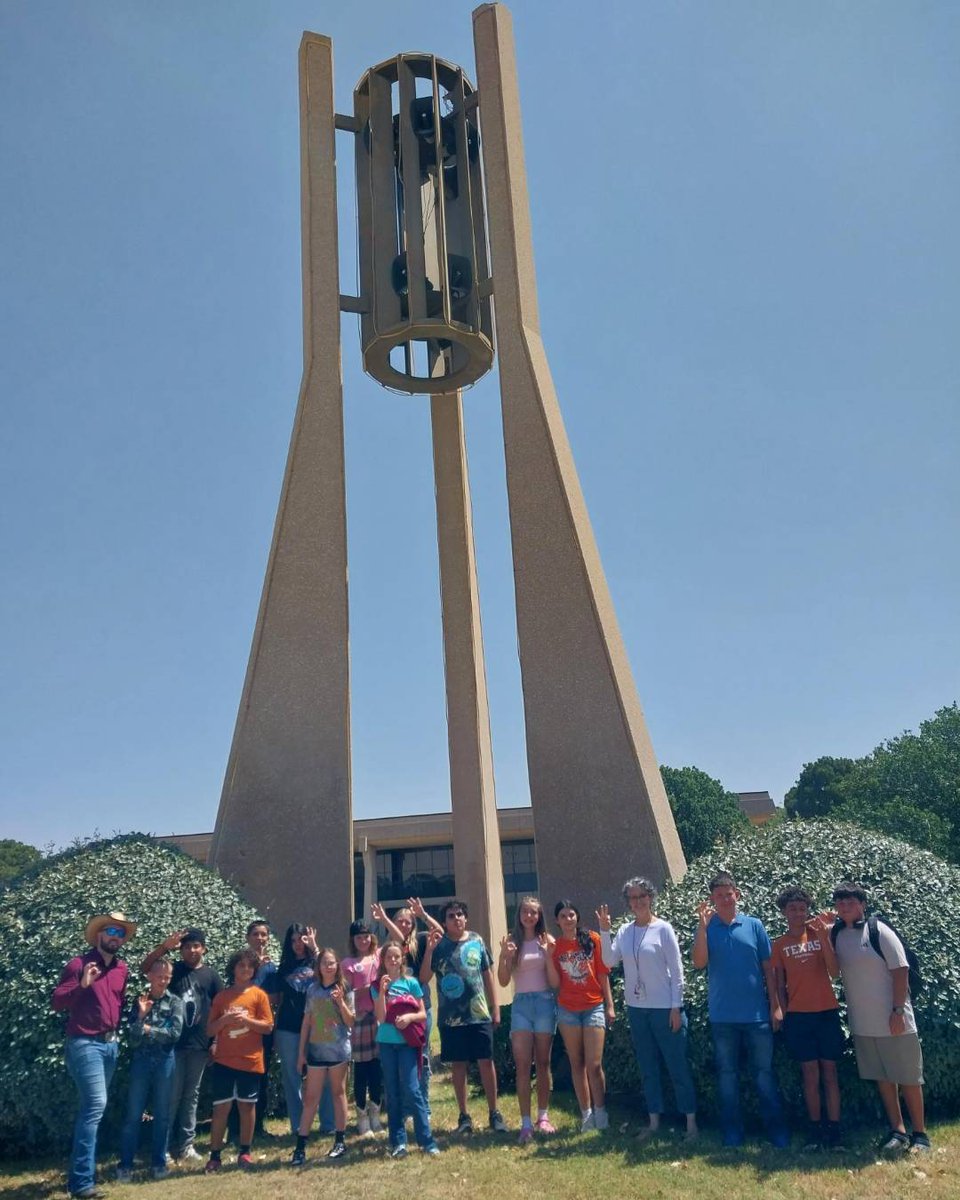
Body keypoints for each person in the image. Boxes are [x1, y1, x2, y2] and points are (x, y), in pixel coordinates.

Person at [831, 880, 930, 1154]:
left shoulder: (879, 930)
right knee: (884, 1080)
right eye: (840, 902)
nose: (845, 906)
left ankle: (920, 1135)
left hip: (895, 1020)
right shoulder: (836, 934)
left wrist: (898, 1010)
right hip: (864, 1024)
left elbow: (901, 970)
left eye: (851, 901)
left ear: (862, 904)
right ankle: (897, 1131)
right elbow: (832, 970)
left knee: (909, 1079)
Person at [691, 871, 788, 1148]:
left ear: (737, 895)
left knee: (765, 1075)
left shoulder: (754, 925)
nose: (724, 898)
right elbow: (699, 963)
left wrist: (776, 1007)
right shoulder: (708, 928)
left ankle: (777, 1131)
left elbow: (769, 969)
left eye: (728, 893)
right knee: (727, 1077)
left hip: (757, 1016)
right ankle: (732, 1133)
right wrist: (701, 925)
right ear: (712, 899)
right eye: (718, 895)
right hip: (723, 1018)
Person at [598, 877, 697, 1140]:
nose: (638, 901)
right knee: (648, 1067)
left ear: (650, 897)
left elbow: (677, 972)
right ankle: (654, 1123)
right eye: (633, 897)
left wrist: (677, 1008)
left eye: (643, 896)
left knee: (677, 1067)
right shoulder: (625, 931)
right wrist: (605, 931)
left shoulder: (663, 929)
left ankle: (691, 1124)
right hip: (637, 1009)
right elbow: (608, 961)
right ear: (628, 902)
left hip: (665, 1008)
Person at [52, 911, 137, 1199]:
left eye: (120, 933)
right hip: (84, 1044)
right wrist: (82, 984)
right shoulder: (79, 964)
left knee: (93, 1110)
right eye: (111, 931)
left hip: (110, 1045)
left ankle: (82, 1176)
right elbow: (57, 1002)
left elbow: (117, 1003)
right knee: (95, 1106)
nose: (115, 937)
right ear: (99, 934)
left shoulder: (122, 969)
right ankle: (81, 1183)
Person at [419, 898, 505, 1134]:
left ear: (465, 918)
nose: (456, 919)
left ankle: (494, 1113)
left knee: (486, 1062)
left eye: (459, 914)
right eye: (451, 916)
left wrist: (495, 1007)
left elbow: (487, 974)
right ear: (445, 922)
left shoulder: (477, 940)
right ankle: (464, 1116)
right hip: (451, 1018)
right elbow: (424, 978)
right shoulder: (439, 945)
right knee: (459, 1065)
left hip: (479, 1014)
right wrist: (428, 950)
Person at [771, 886, 844, 1151]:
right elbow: (779, 984)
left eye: (802, 909)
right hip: (799, 1017)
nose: (798, 913)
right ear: (783, 912)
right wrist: (780, 1009)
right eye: (792, 909)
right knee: (810, 1074)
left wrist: (825, 936)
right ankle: (815, 1130)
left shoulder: (819, 933)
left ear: (807, 910)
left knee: (830, 1073)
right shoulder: (779, 944)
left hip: (826, 1012)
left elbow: (835, 972)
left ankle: (834, 1131)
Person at [140, 927, 222, 1163]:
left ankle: (186, 1146)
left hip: (199, 1046)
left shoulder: (211, 976)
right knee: (171, 1096)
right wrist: (165, 946)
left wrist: (215, 1041)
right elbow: (146, 968)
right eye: (187, 946)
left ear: (204, 948)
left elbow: (219, 1009)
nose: (192, 950)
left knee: (191, 1096)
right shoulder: (173, 971)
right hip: (173, 1045)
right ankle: (162, 1147)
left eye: (196, 946)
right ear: (181, 949)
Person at [204, 948, 274, 1173]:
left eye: (250, 966)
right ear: (233, 968)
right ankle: (215, 1155)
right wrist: (225, 1019)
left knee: (247, 1106)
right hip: (224, 1060)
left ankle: (245, 1151)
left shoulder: (259, 995)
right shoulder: (222, 996)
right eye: (241, 965)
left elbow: (268, 1027)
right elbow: (209, 1030)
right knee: (221, 1108)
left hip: (250, 1060)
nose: (245, 969)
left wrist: (248, 1020)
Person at [371, 897, 443, 1112]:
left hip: (420, 1009)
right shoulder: (389, 949)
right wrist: (384, 920)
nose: (404, 925)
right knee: (398, 1060)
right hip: (393, 1013)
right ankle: (404, 1106)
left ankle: (422, 1106)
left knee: (421, 1056)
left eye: (408, 922)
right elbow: (399, 940)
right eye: (400, 921)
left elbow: (440, 932)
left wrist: (422, 914)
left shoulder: (421, 940)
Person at [116, 957, 184, 1181]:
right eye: (159, 976)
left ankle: (158, 1163)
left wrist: (147, 1030)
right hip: (142, 1062)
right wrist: (141, 1018)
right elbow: (132, 1039)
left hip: (165, 1061)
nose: (163, 981)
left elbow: (174, 1034)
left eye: (167, 977)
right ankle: (125, 1164)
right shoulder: (140, 1001)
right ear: (150, 977)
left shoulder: (175, 1002)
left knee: (163, 1115)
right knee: (133, 1115)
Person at [496, 896, 558, 1143]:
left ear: (539, 915)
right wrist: (504, 957)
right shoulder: (512, 942)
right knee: (523, 1065)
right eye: (525, 912)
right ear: (519, 915)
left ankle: (543, 1116)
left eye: (534, 912)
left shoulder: (547, 940)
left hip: (544, 1003)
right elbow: (502, 980)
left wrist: (549, 955)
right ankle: (525, 1123)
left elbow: (554, 983)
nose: (529, 916)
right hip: (521, 1005)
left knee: (543, 1063)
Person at [551, 899, 614, 1132]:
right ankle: (586, 1114)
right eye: (564, 916)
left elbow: (603, 974)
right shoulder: (556, 948)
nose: (569, 919)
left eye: (572, 915)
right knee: (576, 1063)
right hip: (568, 1010)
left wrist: (610, 1005)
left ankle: (601, 1110)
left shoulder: (593, 940)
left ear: (578, 917)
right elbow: (555, 982)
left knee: (594, 1064)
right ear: (557, 921)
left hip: (593, 1006)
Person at [372, 941, 440, 1158]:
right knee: (392, 1092)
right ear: (382, 961)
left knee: (413, 1089)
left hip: (407, 1045)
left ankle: (426, 1141)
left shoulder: (411, 983)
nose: (393, 960)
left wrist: (409, 1017)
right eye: (388, 957)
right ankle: (398, 1142)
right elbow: (381, 1018)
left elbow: (421, 1013)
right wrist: (382, 993)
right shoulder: (376, 985)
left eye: (396, 957)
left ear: (402, 959)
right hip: (387, 1043)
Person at [290, 947, 355, 1163]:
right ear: (318, 967)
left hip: (338, 1051)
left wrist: (340, 1002)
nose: (328, 966)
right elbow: (307, 1021)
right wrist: (301, 1053)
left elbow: (351, 1021)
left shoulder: (345, 988)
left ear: (337, 966)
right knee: (311, 1098)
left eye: (332, 963)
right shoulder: (313, 990)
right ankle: (300, 1146)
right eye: (324, 963)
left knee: (338, 1093)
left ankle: (340, 1140)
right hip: (316, 1051)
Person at [270, 923, 334, 1136]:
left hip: (321, 1020)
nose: (298, 944)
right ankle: (298, 1126)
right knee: (292, 1077)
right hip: (289, 1027)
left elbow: (329, 971)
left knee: (325, 1072)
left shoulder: (316, 961)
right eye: (294, 940)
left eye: (302, 939)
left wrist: (315, 946)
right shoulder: (284, 967)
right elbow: (277, 999)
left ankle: (328, 1123)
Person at [228, 920, 275, 1141]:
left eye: (264, 934)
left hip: (262, 1029)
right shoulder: (241, 963)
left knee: (261, 1078)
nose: (260, 938)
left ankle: (258, 1128)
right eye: (255, 934)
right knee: (238, 1078)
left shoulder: (271, 966)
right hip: (240, 1030)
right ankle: (235, 1131)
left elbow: (276, 997)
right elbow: (236, 991)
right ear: (248, 937)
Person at [342, 921, 383, 1137]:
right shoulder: (347, 963)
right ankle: (361, 1117)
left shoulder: (378, 958)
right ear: (352, 940)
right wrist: (364, 990)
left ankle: (376, 1113)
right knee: (361, 1071)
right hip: (358, 1019)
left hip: (377, 1018)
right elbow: (346, 992)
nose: (363, 940)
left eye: (366, 936)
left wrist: (384, 920)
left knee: (376, 1069)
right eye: (359, 937)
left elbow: (400, 942)